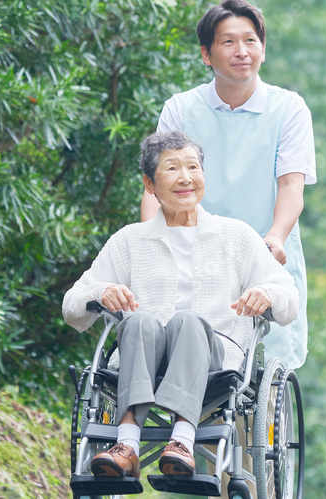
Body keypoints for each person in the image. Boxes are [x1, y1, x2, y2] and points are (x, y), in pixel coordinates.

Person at [62, 130, 299, 480]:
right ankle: (126, 444)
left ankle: (182, 440)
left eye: (193, 167)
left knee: (188, 321)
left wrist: (267, 294)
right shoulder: (130, 240)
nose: (186, 177)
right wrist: (102, 291)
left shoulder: (236, 236)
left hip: (215, 361)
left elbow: (287, 297)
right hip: (142, 358)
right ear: (149, 184)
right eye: (172, 169)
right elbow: (72, 305)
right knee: (139, 321)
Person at [141, 0, 316, 369]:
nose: (242, 52)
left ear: (263, 49)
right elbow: (155, 189)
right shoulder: (181, 110)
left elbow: (291, 186)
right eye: (228, 42)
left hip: (263, 256)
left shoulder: (288, 109)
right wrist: (149, 244)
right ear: (206, 54)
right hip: (192, 252)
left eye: (251, 41)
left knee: (263, 375)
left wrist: (276, 237)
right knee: (186, 358)